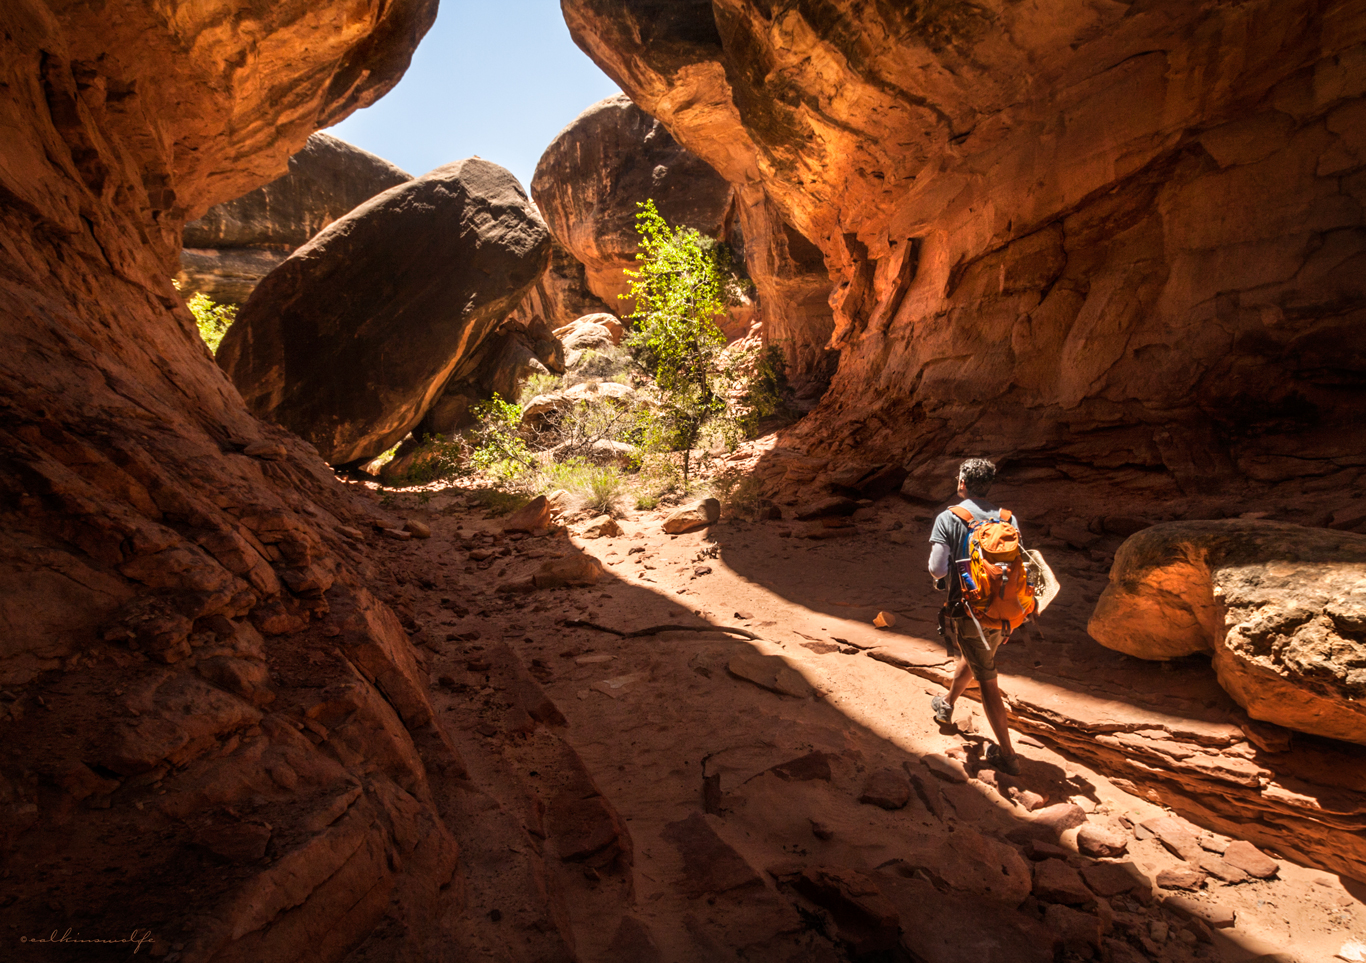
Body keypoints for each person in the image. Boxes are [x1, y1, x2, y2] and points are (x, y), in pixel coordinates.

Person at [927, 457, 1023, 776]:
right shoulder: (1009, 519)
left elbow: (937, 568)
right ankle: (947, 703)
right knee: (977, 657)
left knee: (987, 681)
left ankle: (1008, 756)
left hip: (968, 611)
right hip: (1005, 610)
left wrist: (941, 578)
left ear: (962, 483)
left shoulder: (949, 518)